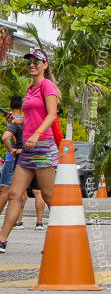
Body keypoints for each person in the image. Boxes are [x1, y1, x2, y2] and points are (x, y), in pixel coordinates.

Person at [0, 49, 60, 253]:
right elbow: (32, 117)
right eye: (29, 62)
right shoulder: (30, 89)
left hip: (43, 146)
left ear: (46, 65)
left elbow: (52, 115)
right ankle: (1, 240)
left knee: (49, 196)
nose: (32, 65)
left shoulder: (47, 86)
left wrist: (36, 133)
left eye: (36, 61)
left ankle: (60, 238)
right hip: (27, 148)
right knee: (14, 194)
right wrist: (16, 120)